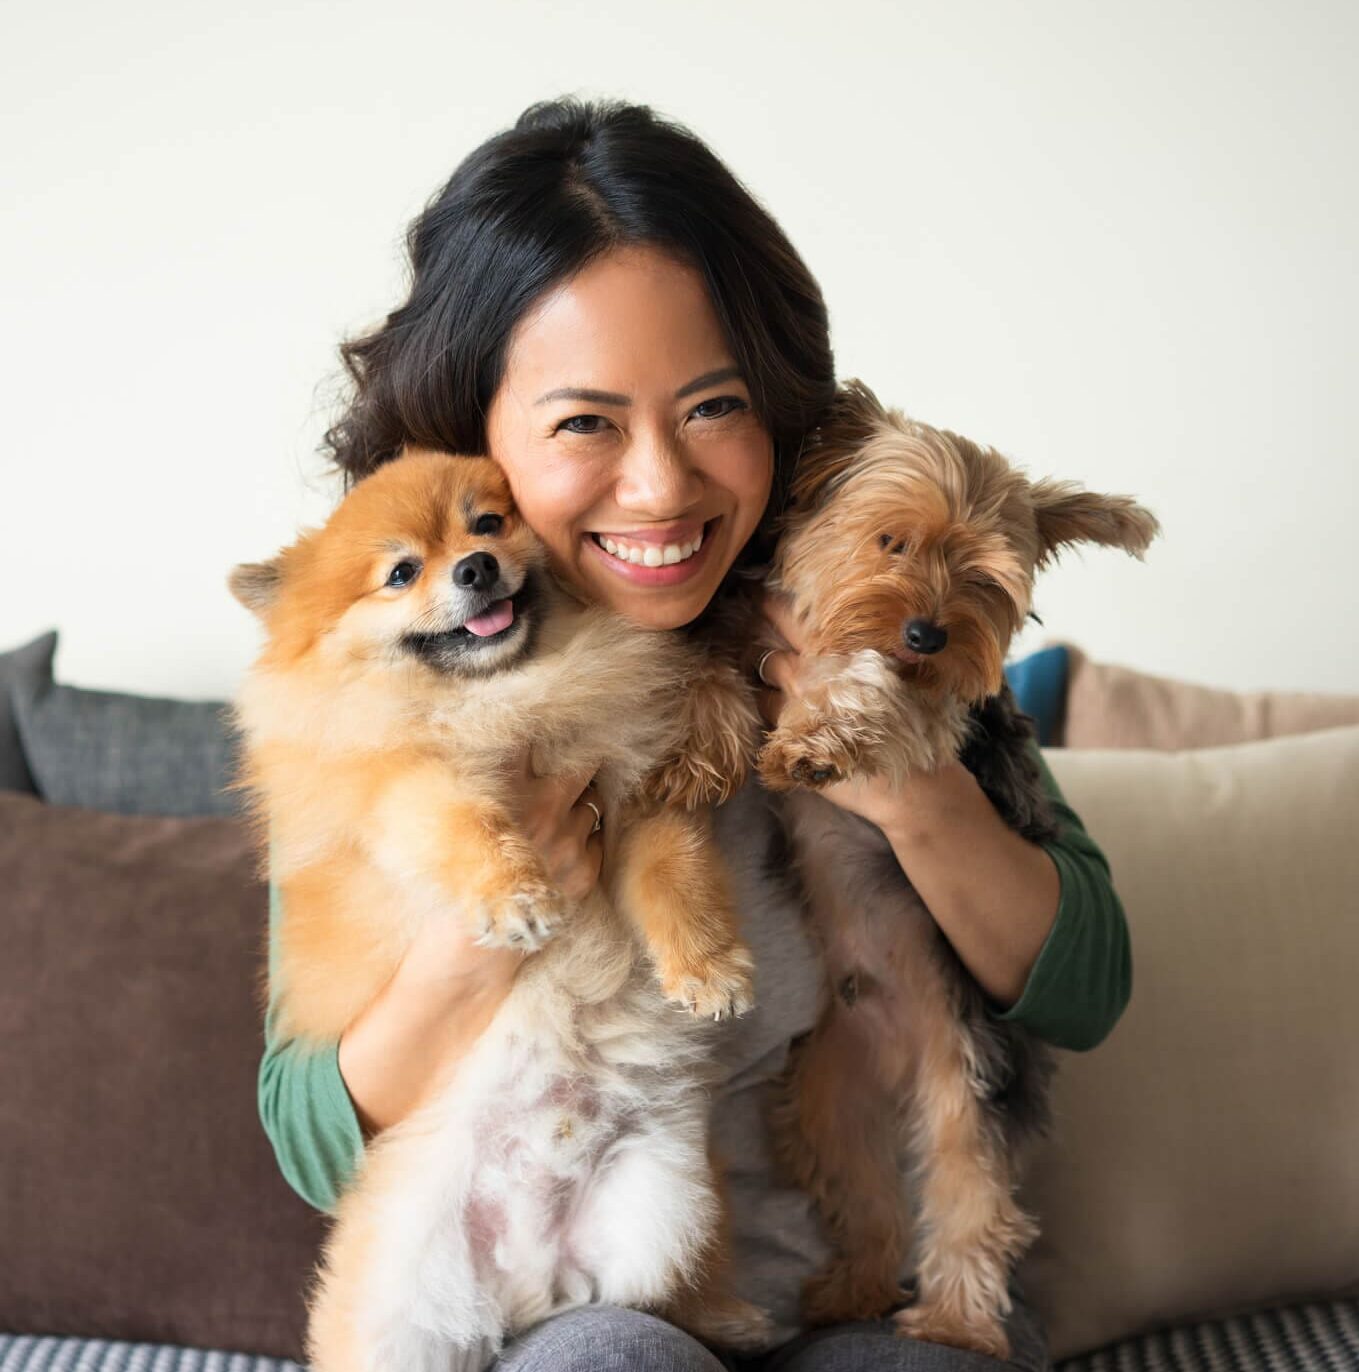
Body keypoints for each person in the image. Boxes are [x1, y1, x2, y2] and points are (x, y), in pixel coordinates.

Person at [258, 97, 1131, 1372]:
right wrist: (479, 930)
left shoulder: (879, 619)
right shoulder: (401, 704)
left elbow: (1089, 983)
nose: (661, 485)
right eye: (584, 423)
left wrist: (907, 788)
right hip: (594, 1306)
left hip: (871, 1306)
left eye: (713, 407)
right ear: (475, 432)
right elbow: (310, 1134)